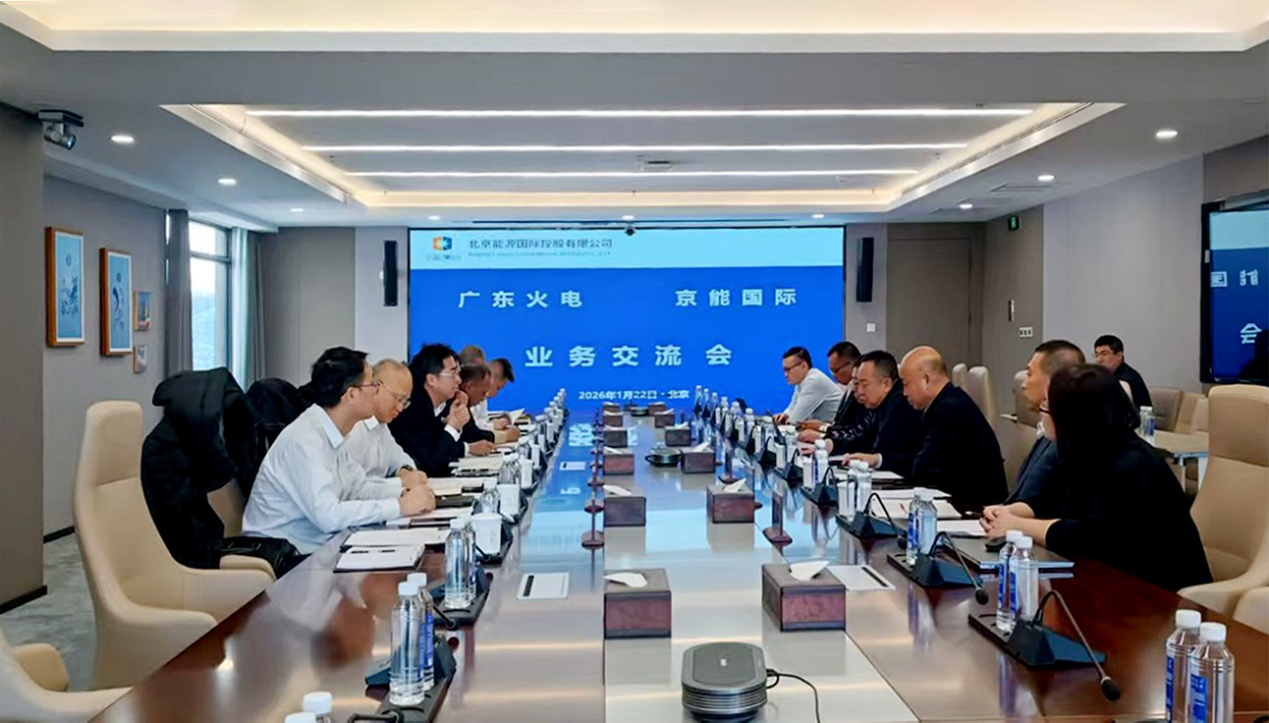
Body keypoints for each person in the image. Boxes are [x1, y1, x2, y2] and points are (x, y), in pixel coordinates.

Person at [981, 365, 1212, 592]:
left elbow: (1089, 536)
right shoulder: (1081, 448)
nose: (1042, 412)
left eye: (1047, 406)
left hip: (1158, 593)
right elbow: (1046, 501)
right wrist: (1007, 513)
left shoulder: (1134, 464)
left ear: (1071, 417)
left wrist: (1018, 525)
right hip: (1106, 580)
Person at [242, 347, 435, 554]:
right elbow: (329, 516)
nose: (376, 391)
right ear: (351, 395)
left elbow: (357, 488)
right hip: (283, 556)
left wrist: (402, 493)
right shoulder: (305, 440)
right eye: (372, 384)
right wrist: (399, 506)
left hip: (318, 547)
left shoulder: (336, 433)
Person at [849, 346, 1006, 508]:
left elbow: (923, 468)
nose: (904, 393)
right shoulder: (942, 404)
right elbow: (920, 460)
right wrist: (878, 460)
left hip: (975, 508)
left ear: (926, 380)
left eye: (906, 384)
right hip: (956, 499)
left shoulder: (950, 409)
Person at [390, 343, 496, 477]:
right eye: (453, 373)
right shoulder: (410, 409)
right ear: (431, 379)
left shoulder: (444, 403)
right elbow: (430, 463)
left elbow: (471, 436)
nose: (459, 380)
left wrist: (459, 419)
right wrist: (452, 427)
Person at [339, 359, 435, 502]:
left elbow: (399, 457)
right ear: (376, 387)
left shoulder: (381, 426)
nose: (400, 408)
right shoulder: (352, 429)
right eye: (398, 399)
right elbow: (354, 490)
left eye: (405, 402)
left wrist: (405, 470)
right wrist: (400, 483)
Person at [1007, 340, 1085, 505]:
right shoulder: (1047, 432)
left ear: (1054, 381)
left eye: (1029, 374)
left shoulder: (1067, 442)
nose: (1023, 385)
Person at [830, 350, 921, 459]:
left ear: (886, 384)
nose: (860, 391)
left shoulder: (899, 403)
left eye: (865, 384)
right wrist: (831, 445)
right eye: (857, 384)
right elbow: (864, 440)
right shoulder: (881, 404)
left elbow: (882, 450)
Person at [799, 341, 864, 443]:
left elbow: (856, 432)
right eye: (831, 371)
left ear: (853, 364)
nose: (833, 376)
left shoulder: (861, 394)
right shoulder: (846, 387)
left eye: (836, 370)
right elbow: (843, 427)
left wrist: (822, 434)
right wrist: (822, 427)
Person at [772, 346, 843, 425]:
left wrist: (786, 420)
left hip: (838, 428)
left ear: (803, 366)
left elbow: (795, 420)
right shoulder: (801, 382)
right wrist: (784, 415)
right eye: (784, 370)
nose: (785, 375)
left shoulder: (813, 381)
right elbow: (792, 409)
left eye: (788, 370)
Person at [1093, 334, 1151, 408]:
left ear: (1119, 356)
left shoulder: (1125, 380)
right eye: (1097, 355)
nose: (1099, 360)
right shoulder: (1106, 376)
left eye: (1104, 354)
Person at [458, 362, 497, 444]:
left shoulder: (465, 404)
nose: (483, 399)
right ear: (469, 387)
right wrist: (504, 436)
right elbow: (473, 436)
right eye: (483, 393)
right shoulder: (456, 403)